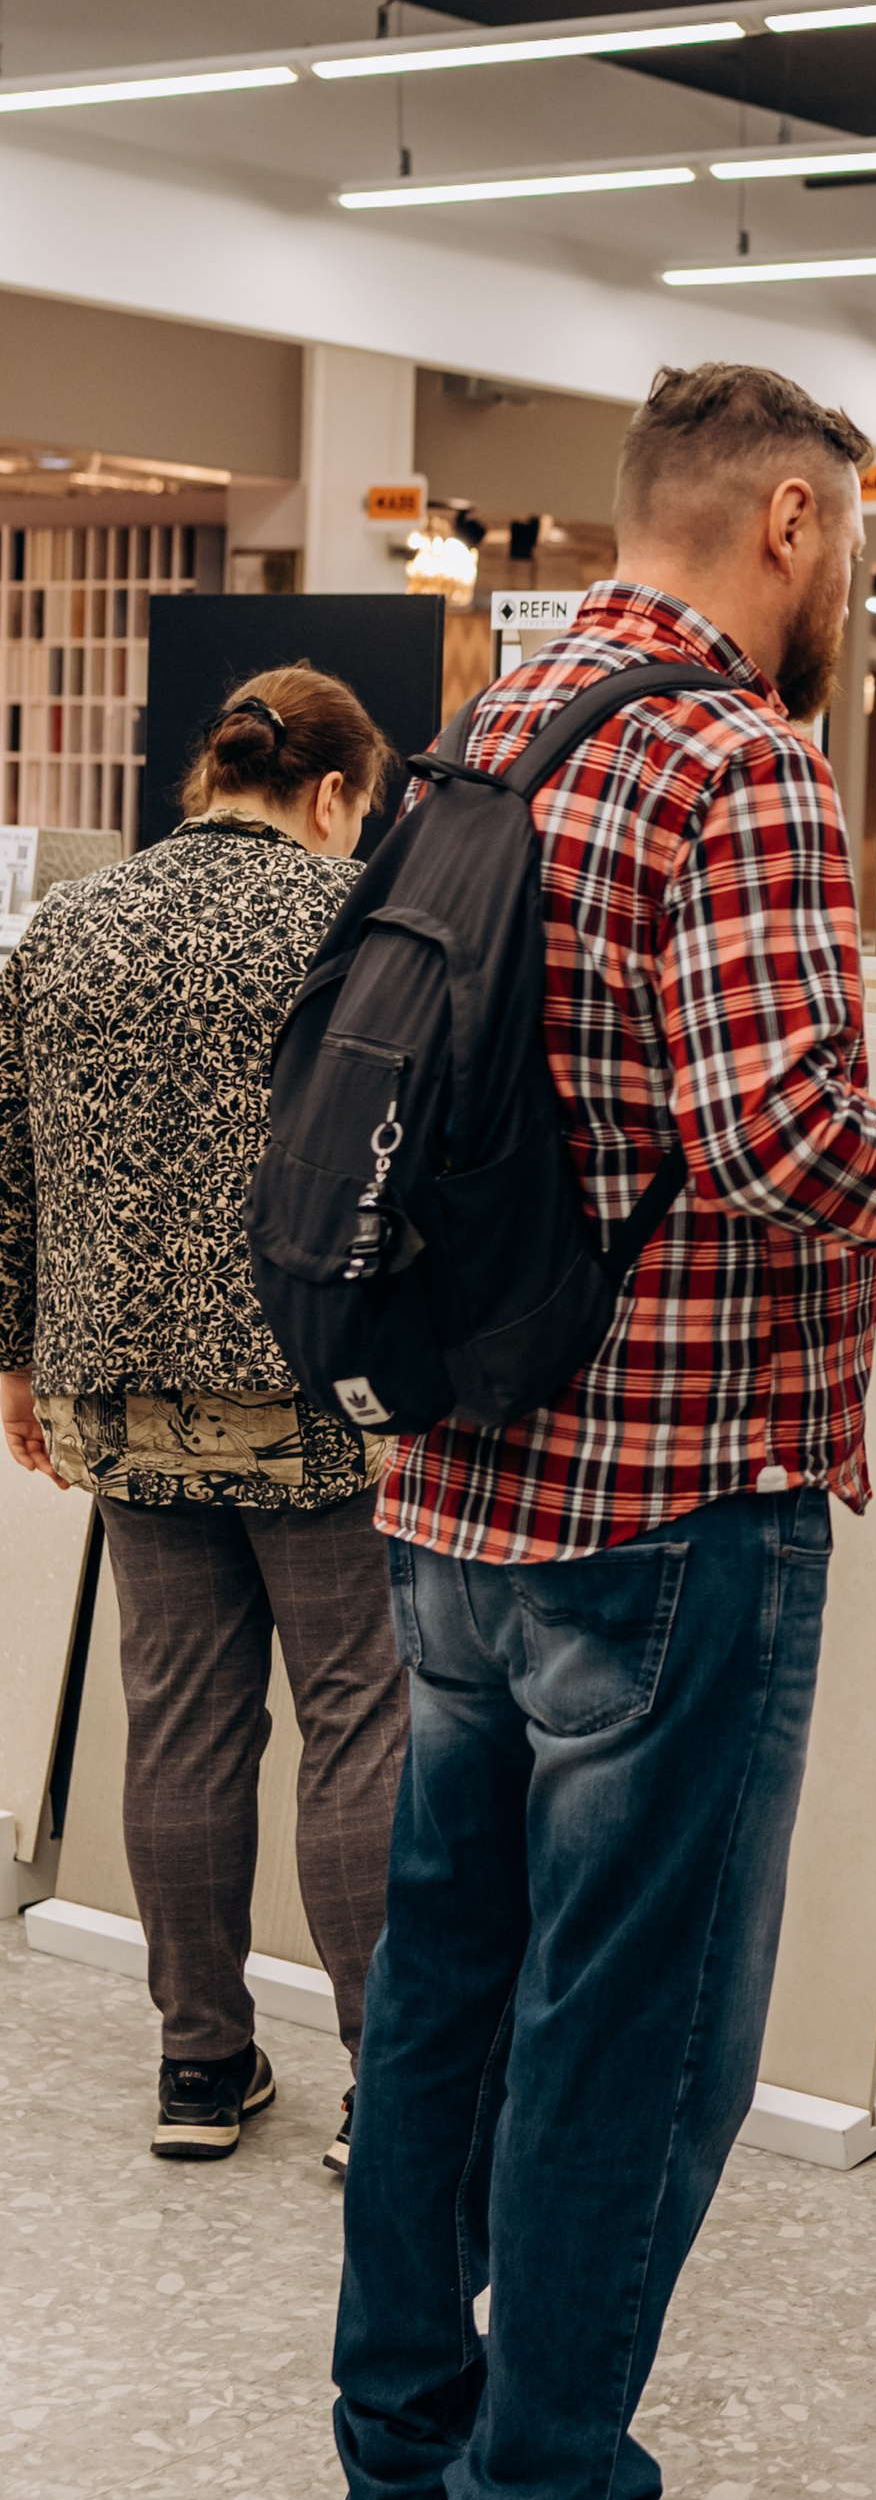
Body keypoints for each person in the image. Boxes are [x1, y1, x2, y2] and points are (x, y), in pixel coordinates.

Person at [330, 360, 876, 2500]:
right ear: (790, 517)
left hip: (457, 1479)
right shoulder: (733, 759)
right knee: (639, 2020)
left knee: (446, 1985)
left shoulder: (490, 734)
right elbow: (781, 1135)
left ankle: (402, 2456)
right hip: (670, 1496)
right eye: (852, 536)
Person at [0, 664, 403, 2173]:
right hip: (315, 1388)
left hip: (117, 1384)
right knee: (359, 1723)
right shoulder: (359, 925)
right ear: (333, 793)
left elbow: (9, 1158)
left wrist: (17, 1360)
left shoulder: (70, 924)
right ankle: (387, 2091)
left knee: (177, 1720)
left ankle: (198, 2065)